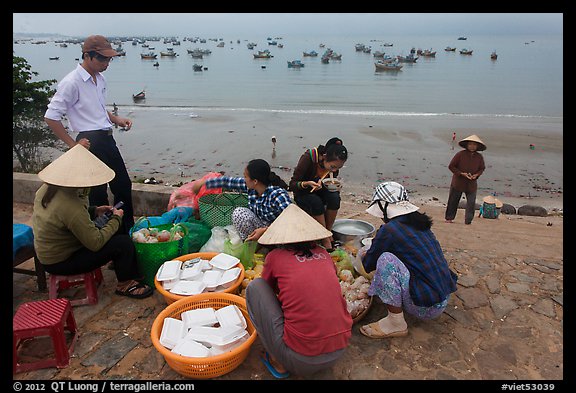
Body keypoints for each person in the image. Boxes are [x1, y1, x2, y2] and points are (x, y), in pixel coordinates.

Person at [31, 145, 153, 299]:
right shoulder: (70, 206)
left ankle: (122, 265)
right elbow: (95, 242)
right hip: (62, 261)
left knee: (113, 226)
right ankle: (126, 284)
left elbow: (64, 218)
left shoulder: (46, 189)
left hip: (50, 254)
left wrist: (94, 210)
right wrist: (116, 218)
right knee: (122, 243)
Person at [246, 204, 353, 378]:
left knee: (255, 288)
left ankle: (279, 363)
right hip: (338, 351)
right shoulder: (324, 254)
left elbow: (268, 289)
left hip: (300, 360)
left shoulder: (276, 257)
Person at [44, 35, 135, 234]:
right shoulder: (72, 82)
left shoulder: (99, 79)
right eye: (102, 59)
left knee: (122, 185)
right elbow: (51, 116)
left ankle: (125, 231)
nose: (106, 63)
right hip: (88, 140)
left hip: (105, 137)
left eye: (109, 59)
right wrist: (72, 145)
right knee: (97, 193)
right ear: (87, 56)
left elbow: (98, 110)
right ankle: (104, 237)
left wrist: (116, 119)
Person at [359, 181, 458, 338]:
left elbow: (368, 264)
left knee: (385, 260)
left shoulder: (390, 230)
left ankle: (395, 323)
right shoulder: (419, 223)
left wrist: (364, 254)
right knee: (391, 256)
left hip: (425, 307)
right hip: (441, 298)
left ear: (384, 207)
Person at [192, 159, 292, 242]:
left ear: (255, 181)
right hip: (260, 225)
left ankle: (268, 246)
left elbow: (293, 219)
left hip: (278, 231)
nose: (244, 179)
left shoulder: (278, 195)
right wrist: (203, 183)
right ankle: (250, 242)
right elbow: (227, 182)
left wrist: (266, 230)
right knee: (239, 213)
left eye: (245, 177)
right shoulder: (251, 188)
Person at [288, 137, 348, 249]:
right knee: (315, 202)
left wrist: (333, 186)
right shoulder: (308, 158)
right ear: (324, 157)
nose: (334, 171)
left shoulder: (332, 167)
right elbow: (292, 185)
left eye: (338, 168)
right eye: (333, 167)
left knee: (335, 197)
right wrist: (306, 184)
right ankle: (325, 238)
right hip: (303, 192)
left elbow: (331, 179)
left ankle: (327, 231)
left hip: (319, 189)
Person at [444, 134, 486, 225]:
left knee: (471, 203)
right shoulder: (460, 154)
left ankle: (468, 220)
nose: (472, 146)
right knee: (453, 201)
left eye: (474, 145)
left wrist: (476, 175)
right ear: (467, 145)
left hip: (471, 184)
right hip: (458, 182)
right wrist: (461, 173)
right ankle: (449, 218)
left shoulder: (479, 157)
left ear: (477, 146)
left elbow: (482, 168)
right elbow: (451, 166)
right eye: (470, 144)